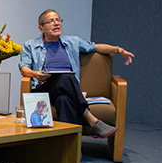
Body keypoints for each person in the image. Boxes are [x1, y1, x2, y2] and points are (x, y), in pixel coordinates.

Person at [19, 9, 135, 138]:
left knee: (65, 100)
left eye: (58, 20)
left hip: (65, 89)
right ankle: (91, 120)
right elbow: (24, 67)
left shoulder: (72, 42)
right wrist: (35, 74)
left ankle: (72, 152)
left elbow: (94, 47)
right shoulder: (30, 45)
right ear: (41, 28)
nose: (56, 23)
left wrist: (119, 50)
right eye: (51, 21)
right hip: (43, 88)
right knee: (66, 77)